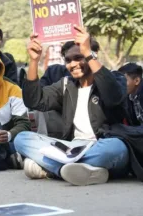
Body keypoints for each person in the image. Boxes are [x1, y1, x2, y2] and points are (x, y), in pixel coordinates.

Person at [14, 26, 129, 186]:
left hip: (102, 145)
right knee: (21, 139)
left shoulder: (116, 78)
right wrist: (34, 61)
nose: (73, 64)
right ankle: (79, 170)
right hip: (71, 148)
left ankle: (53, 169)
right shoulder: (66, 85)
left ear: (92, 54)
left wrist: (88, 53)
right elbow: (35, 101)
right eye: (68, 60)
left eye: (78, 57)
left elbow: (113, 96)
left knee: (117, 147)